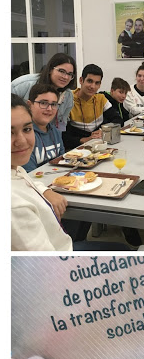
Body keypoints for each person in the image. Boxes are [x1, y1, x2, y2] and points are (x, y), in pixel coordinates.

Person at [11, 94, 71, 251]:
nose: (22, 140)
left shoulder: (13, 167)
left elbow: (23, 177)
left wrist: (45, 190)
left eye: (27, 129)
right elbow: (47, 268)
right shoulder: (13, 207)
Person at [11, 52, 77, 131]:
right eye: (61, 71)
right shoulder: (23, 84)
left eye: (70, 74)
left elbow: (61, 125)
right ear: (50, 69)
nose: (65, 77)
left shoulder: (68, 96)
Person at [62, 64, 119, 150]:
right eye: (89, 81)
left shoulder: (101, 99)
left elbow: (118, 119)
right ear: (81, 80)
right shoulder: (68, 100)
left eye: (97, 83)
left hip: (98, 146)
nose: (93, 86)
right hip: (76, 149)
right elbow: (63, 135)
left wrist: (102, 130)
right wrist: (84, 140)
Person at [22, 84, 65, 172]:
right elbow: (30, 175)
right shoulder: (25, 136)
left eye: (53, 104)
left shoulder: (56, 132)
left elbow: (63, 163)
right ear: (29, 105)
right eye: (43, 103)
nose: (49, 109)